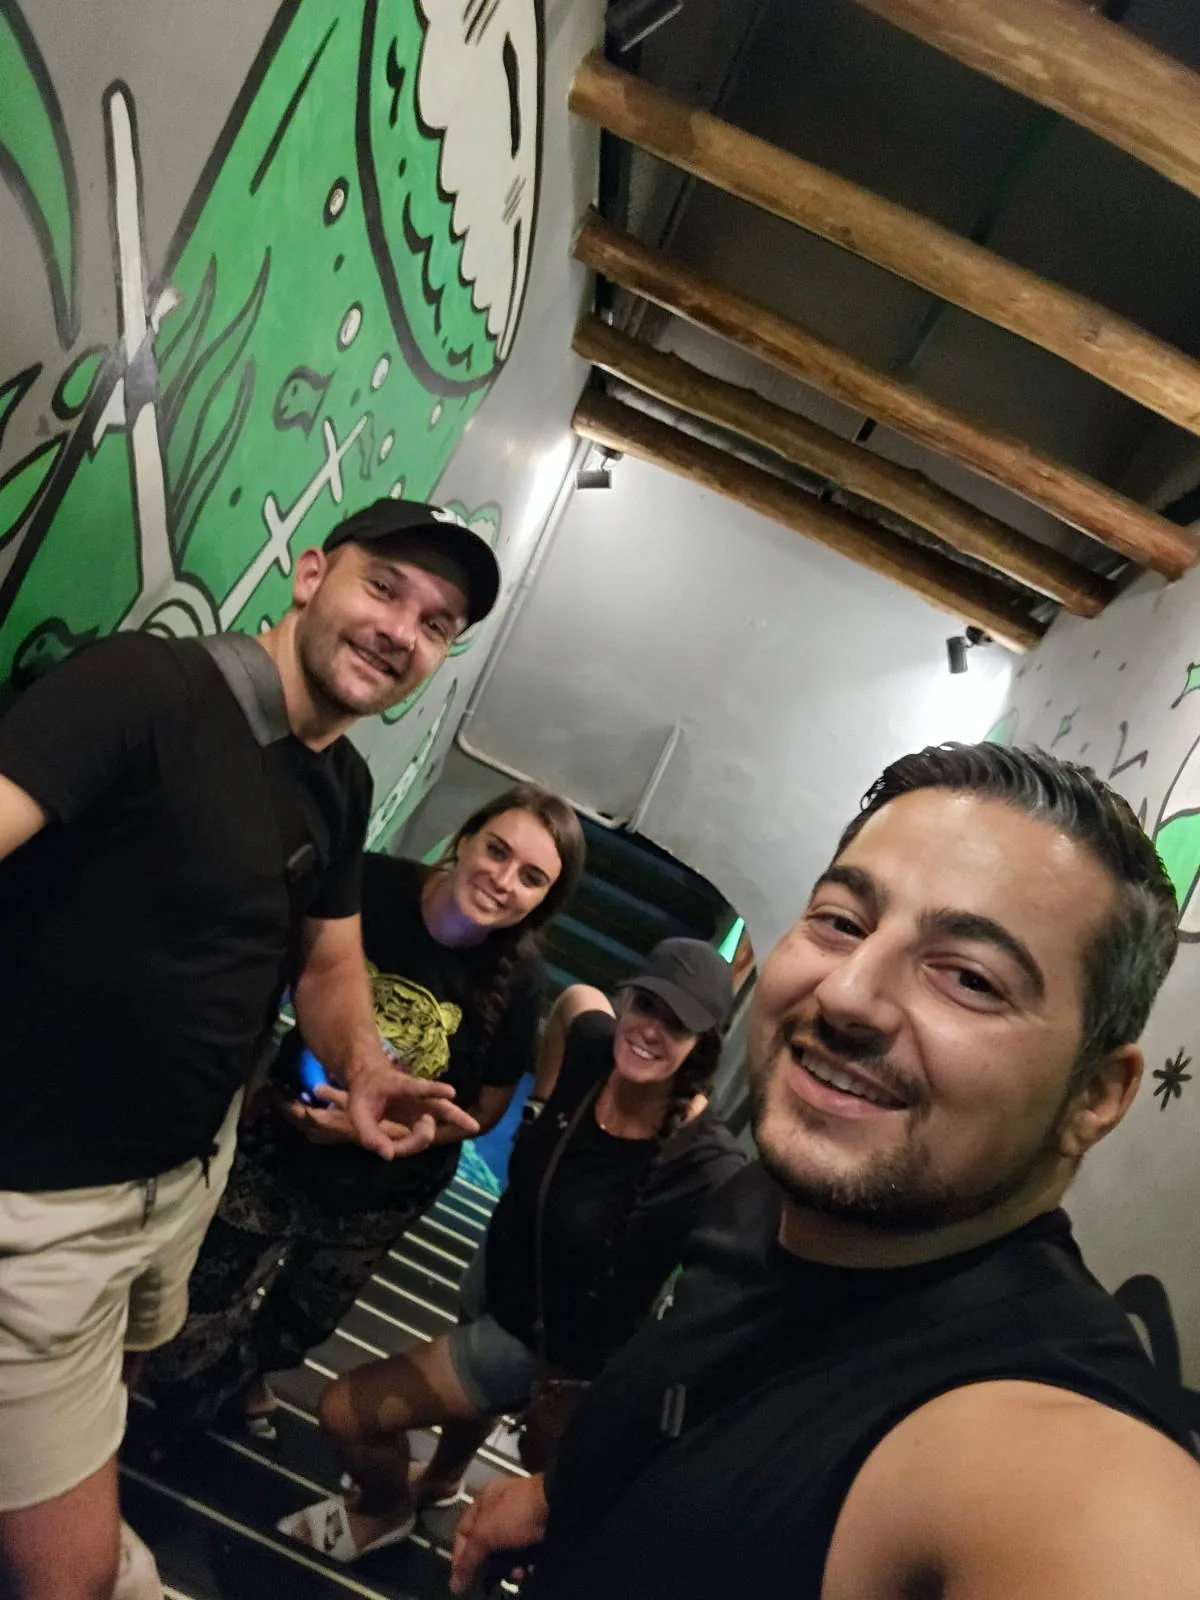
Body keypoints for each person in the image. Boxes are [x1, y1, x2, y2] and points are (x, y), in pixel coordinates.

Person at [451, 743, 1200, 1600]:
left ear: (1096, 1096)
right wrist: (561, 1496)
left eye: (968, 977)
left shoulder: (1056, 1458)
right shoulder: (761, 1202)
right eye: (841, 921)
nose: (846, 995)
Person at [0, 495, 499, 1600]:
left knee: (123, 1380)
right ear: (311, 573)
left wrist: (367, 1069)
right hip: (42, 1205)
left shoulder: (340, 778)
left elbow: (325, 967)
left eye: (438, 621)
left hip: (182, 1179)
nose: (402, 630)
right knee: (72, 1576)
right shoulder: (149, 689)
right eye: (386, 587)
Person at [142, 783, 585, 1446]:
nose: (502, 880)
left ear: (543, 900)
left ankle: (243, 1381)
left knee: (300, 1326)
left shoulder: (520, 977)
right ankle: (181, 1413)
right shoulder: (370, 888)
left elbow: (484, 1109)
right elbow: (274, 977)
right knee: (196, 1309)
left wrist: (393, 1133)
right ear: (465, 839)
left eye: (531, 878)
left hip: (381, 1190)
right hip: (278, 1141)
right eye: (496, 850)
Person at [278, 938, 745, 1562]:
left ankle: (384, 1508)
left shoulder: (707, 1167)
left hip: (540, 1350)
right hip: (495, 1278)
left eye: (677, 1023)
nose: (650, 1031)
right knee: (462, 1396)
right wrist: (539, 1107)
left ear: (704, 1046)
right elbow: (575, 1003)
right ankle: (442, 1482)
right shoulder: (590, 1051)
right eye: (646, 1005)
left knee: (343, 1411)